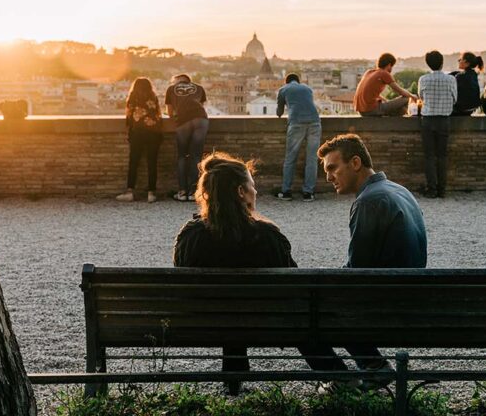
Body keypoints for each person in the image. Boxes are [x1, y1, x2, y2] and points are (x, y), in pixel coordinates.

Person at [173, 152, 350, 395]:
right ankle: (338, 376)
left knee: (230, 308)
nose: (256, 192)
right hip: (269, 322)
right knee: (302, 312)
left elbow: (181, 282)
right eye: (252, 187)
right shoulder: (266, 236)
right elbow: (295, 285)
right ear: (240, 193)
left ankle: (233, 375)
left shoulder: (191, 236)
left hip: (204, 321)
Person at [317, 134, 427, 376]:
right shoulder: (400, 190)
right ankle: (371, 364)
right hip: (413, 294)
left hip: (388, 304)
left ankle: (364, 369)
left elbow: (357, 270)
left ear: (355, 163)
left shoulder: (368, 201)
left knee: (318, 307)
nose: (328, 177)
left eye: (333, 168)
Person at [116, 78, 163, 202]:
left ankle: (130, 191)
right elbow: (158, 115)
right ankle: (151, 193)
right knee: (152, 163)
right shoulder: (153, 97)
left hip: (137, 133)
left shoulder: (133, 97)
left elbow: (129, 116)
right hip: (153, 133)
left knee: (134, 163)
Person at [275, 74, 321, 201]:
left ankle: (286, 192)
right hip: (315, 122)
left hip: (296, 123)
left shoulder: (284, 89)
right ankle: (308, 193)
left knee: (290, 158)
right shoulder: (307, 89)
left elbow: (279, 112)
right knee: (312, 159)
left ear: (287, 81)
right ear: (298, 81)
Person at [417, 51, 456, 198]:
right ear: (442, 62)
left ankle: (431, 189)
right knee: (442, 156)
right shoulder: (451, 79)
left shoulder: (423, 79)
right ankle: (442, 190)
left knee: (429, 156)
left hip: (428, 120)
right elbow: (455, 98)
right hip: (444, 120)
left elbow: (420, 97)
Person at [165, 74, 209, 201]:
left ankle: (182, 192)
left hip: (183, 121)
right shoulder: (199, 88)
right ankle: (193, 193)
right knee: (196, 157)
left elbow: (169, 112)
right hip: (201, 120)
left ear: (177, 80)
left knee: (182, 156)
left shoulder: (171, 89)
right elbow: (201, 106)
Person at [450, 52, 484, 116]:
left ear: (467, 63)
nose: (458, 61)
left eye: (460, 59)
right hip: (472, 108)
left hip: (461, 109)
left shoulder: (460, 76)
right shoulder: (474, 74)